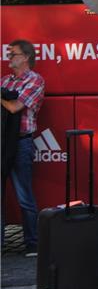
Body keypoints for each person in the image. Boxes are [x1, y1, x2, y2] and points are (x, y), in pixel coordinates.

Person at [0, 40, 44, 256]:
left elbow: (14, 106)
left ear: (25, 57)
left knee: (23, 194)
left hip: (21, 143)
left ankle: (32, 243)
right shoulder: (5, 81)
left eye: (13, 53)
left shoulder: (35, 81)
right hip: (2, 143)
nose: (9, 56)